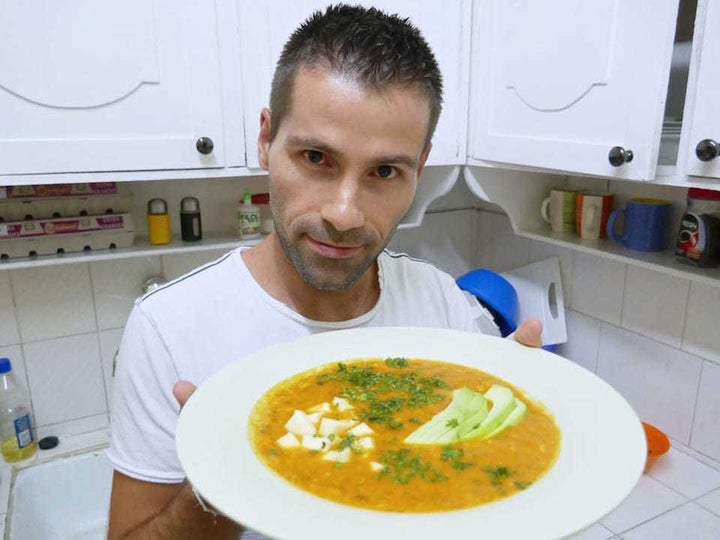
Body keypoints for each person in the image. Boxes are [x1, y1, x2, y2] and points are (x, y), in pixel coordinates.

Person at [106, 4, 542, 539]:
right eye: (316, 157)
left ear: (419, 170)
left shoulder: (444, 306)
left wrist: (520, 429)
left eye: (385, 171)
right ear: (266, 139)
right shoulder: (168, 329)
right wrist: (219, 485)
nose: (343, 213)